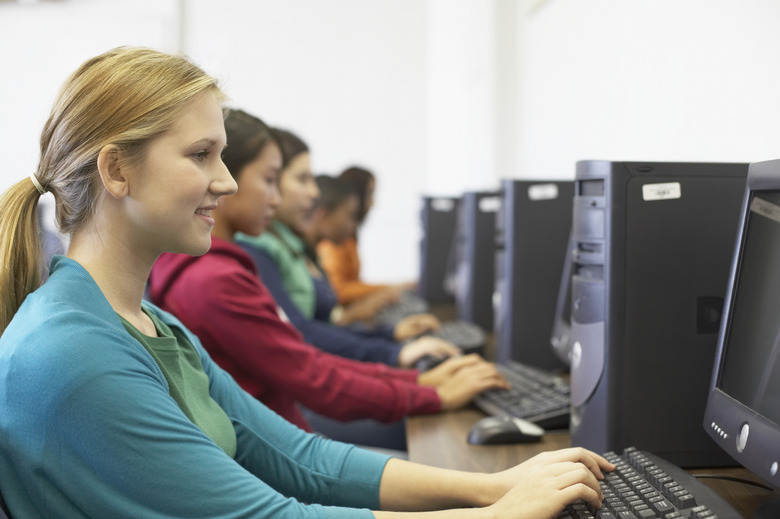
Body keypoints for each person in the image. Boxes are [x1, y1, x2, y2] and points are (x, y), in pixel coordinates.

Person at [0, 46, 613, 518]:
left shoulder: (147, 322)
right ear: (116, 171)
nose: (229, 181)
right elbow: (273, 515)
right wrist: (499, 514)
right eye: (200, 155)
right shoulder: (75, 355)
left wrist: (494, 486)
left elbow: (299, 456)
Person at [148, 109, 503, 450]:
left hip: (287, 441)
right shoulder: (214, 280)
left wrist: (417, 380)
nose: (278, 196)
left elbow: (304, 360)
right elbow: (309, 374)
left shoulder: (220, 267)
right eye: (271, 179)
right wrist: (428, 391)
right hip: (283, 448)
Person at [236, 129, 444, 367]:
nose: (314, 193)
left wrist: (390, 336)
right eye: (302, 179)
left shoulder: (290, 245)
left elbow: (323, 329)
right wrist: (392, 352)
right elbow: (302, 333)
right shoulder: (255, 249)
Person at [318, 165, 414, 306]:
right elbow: (338, 289)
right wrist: (388, 289)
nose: (373, 202)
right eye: (370, 194)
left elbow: (351, 284)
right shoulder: (332, 239)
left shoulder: (349, 237)